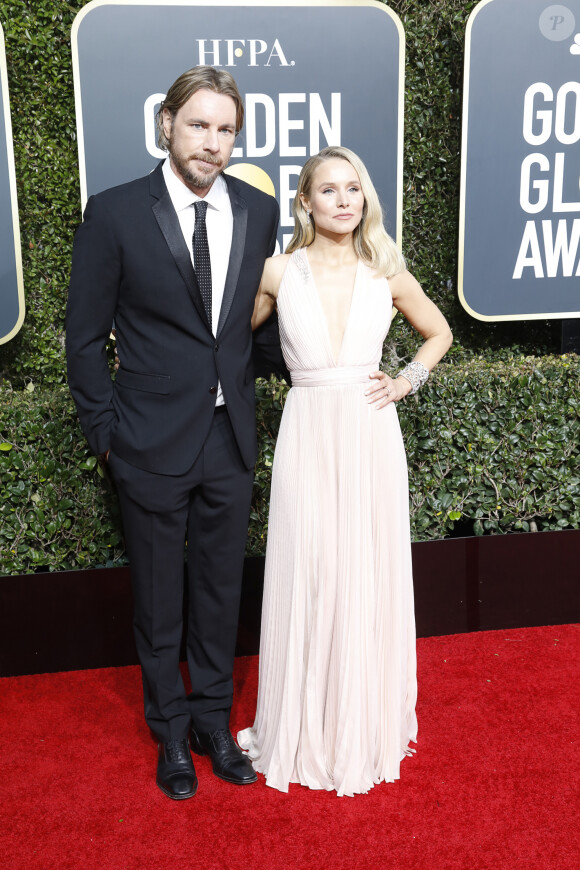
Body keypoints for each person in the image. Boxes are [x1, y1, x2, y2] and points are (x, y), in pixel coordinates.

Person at [66, 66, 282, 800]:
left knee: (221, 593)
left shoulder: (259, 209)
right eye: (198, 125)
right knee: (159, 600)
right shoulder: (115, 212)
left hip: (230, 439)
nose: (211, 142)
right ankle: (170, 735)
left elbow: (250, 330)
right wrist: (107, 436)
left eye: (226, 130)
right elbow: (84, 338)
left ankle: (213, 724)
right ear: (166, 125)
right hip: (147, 441)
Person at [237, 146, 453, 796]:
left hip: (367, 432)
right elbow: (229, 339)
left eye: (352, 189)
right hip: (307, 432)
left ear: (365, 200)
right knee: (311, 568)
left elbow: (438, 332)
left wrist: (406, 382)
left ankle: (360, 720)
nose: (343, 200)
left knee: (360, 569)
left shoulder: (385, 271)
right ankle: (302, 723)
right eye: (327, 190)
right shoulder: (276, 270)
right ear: (304, 201)